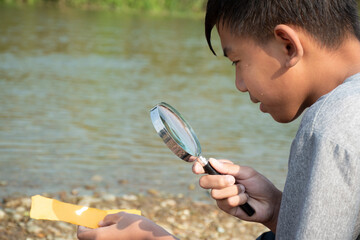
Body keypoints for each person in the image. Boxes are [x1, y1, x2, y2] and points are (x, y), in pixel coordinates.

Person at [78, 0, 360, 239]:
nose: (239, 85)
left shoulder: (329, 125)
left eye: (236, 61)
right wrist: (279, 211)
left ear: (287, 45)